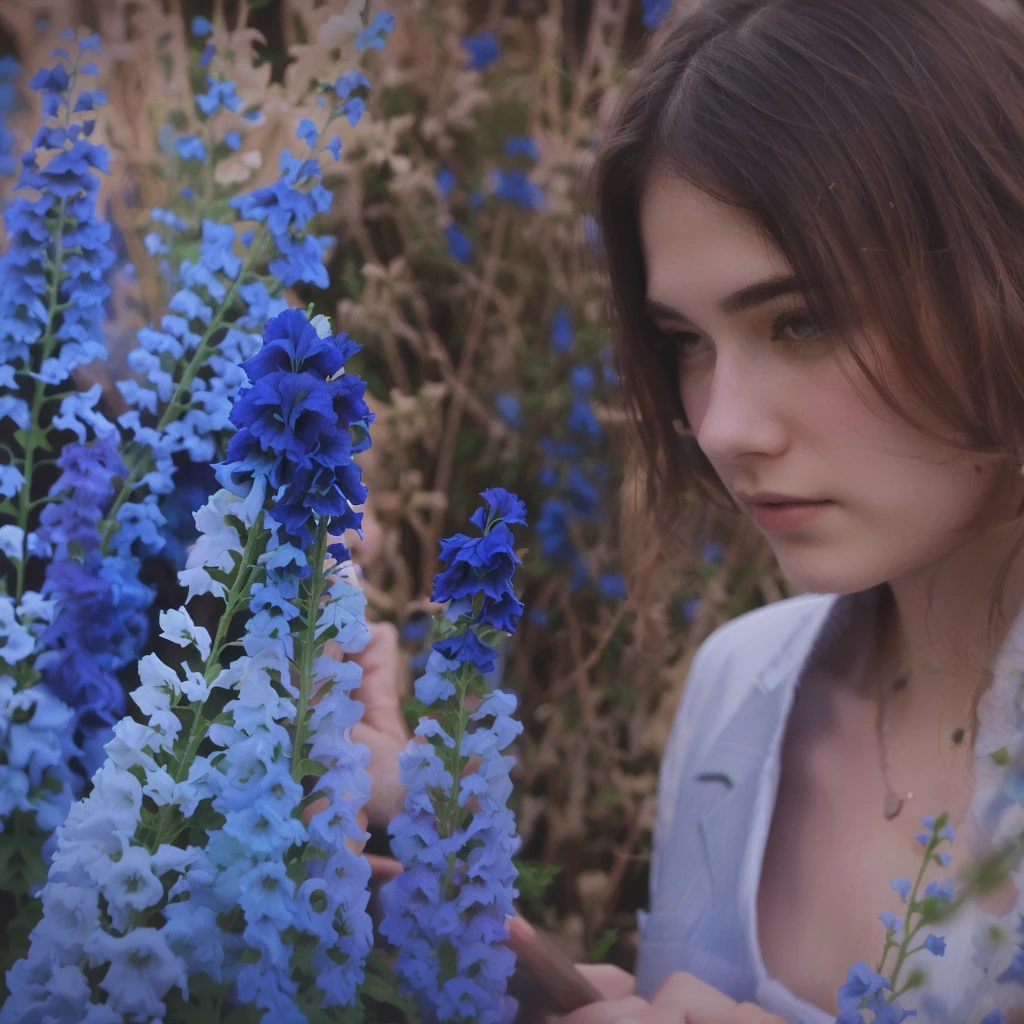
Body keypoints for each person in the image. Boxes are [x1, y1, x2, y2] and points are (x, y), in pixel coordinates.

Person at [558, 0, 1024, 1019]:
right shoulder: (738, 689)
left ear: (1000, 271)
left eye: (801, 320)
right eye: (684, 341)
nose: (721, 428)